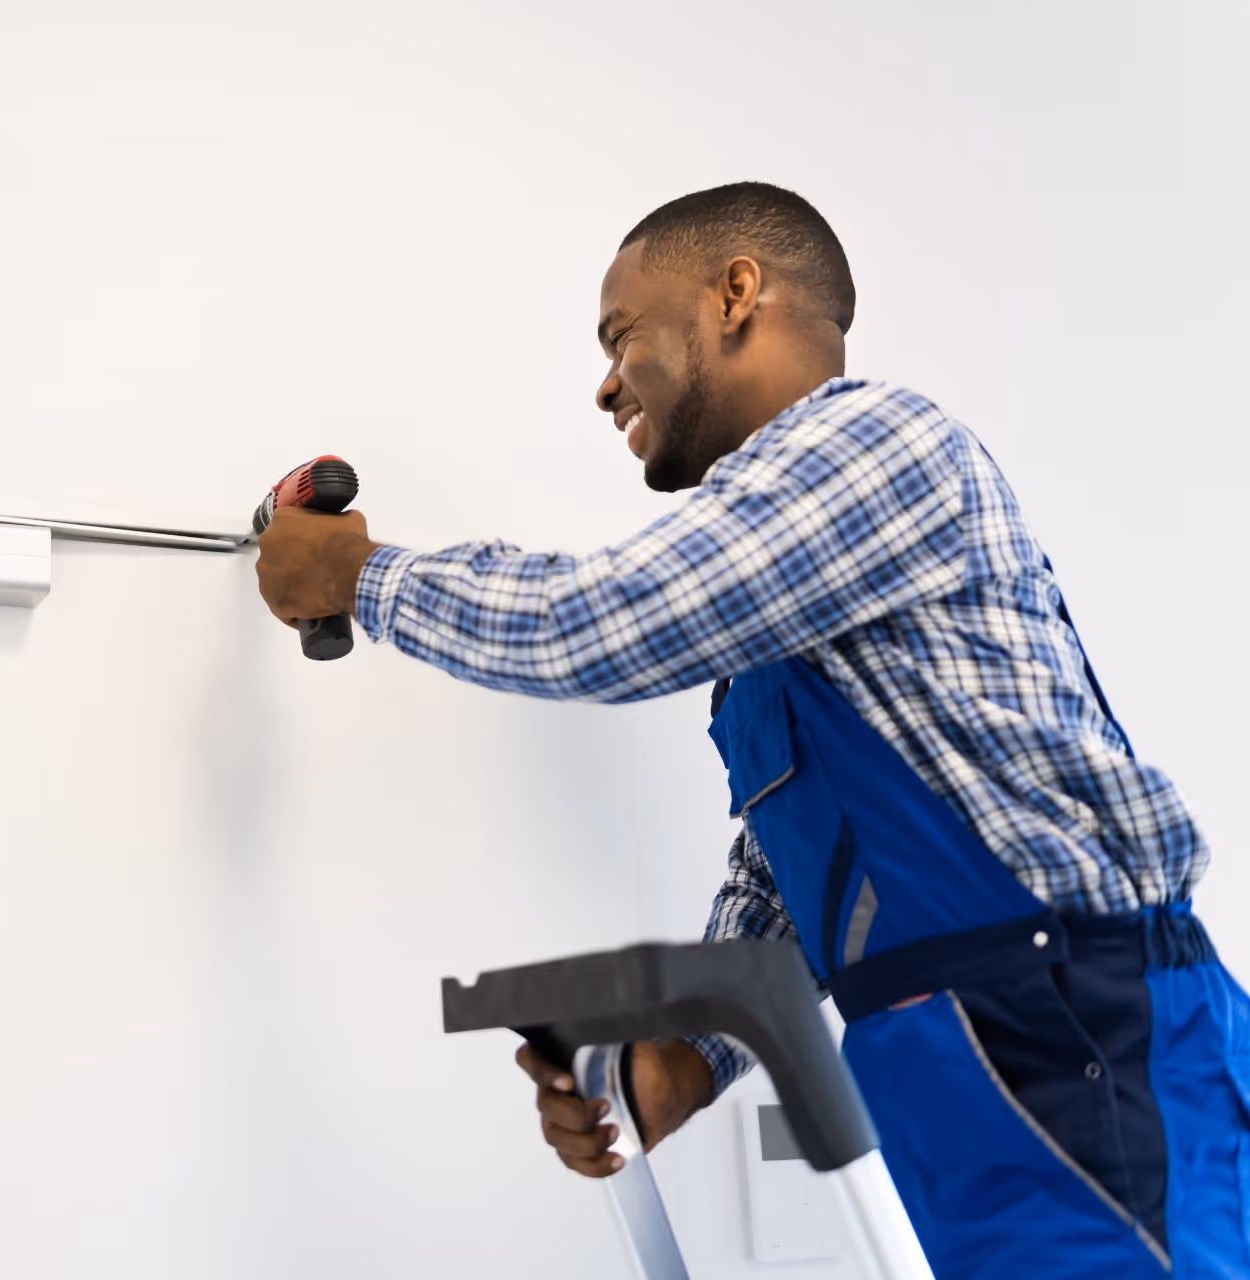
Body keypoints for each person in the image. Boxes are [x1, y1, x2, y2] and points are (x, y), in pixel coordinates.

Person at [252, 182, 1249, 1277]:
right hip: (957, 1072)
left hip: (1086, 1038)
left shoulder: (878, 442)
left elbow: (601, 622)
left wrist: (365, 577)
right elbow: (798, 878)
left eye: (619, 333)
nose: (602, 382)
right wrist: (681, 1053)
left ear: (735, 293)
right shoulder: (784, 591)